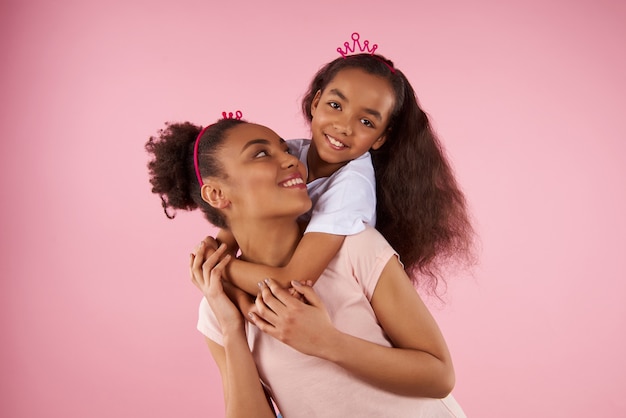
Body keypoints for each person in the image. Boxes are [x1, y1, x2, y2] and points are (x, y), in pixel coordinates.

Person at [145, 117, 467, 417]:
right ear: (216, 193)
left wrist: (326, 341)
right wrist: (232, 330)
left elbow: (439, 376)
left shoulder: (355, 246)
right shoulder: (218, 306)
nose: (290, 160)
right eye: (260, 154)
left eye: (285, 149)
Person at [213, 33, 474, 299]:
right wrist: (219, 245)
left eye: (366, 122)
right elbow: (244, 203)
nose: (343, 127)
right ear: (316, 103)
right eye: (335, 105)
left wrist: (218, 267)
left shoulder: (352, 187)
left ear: (381, 137)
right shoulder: (290, 152)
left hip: (328, 294)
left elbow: (294, 282)